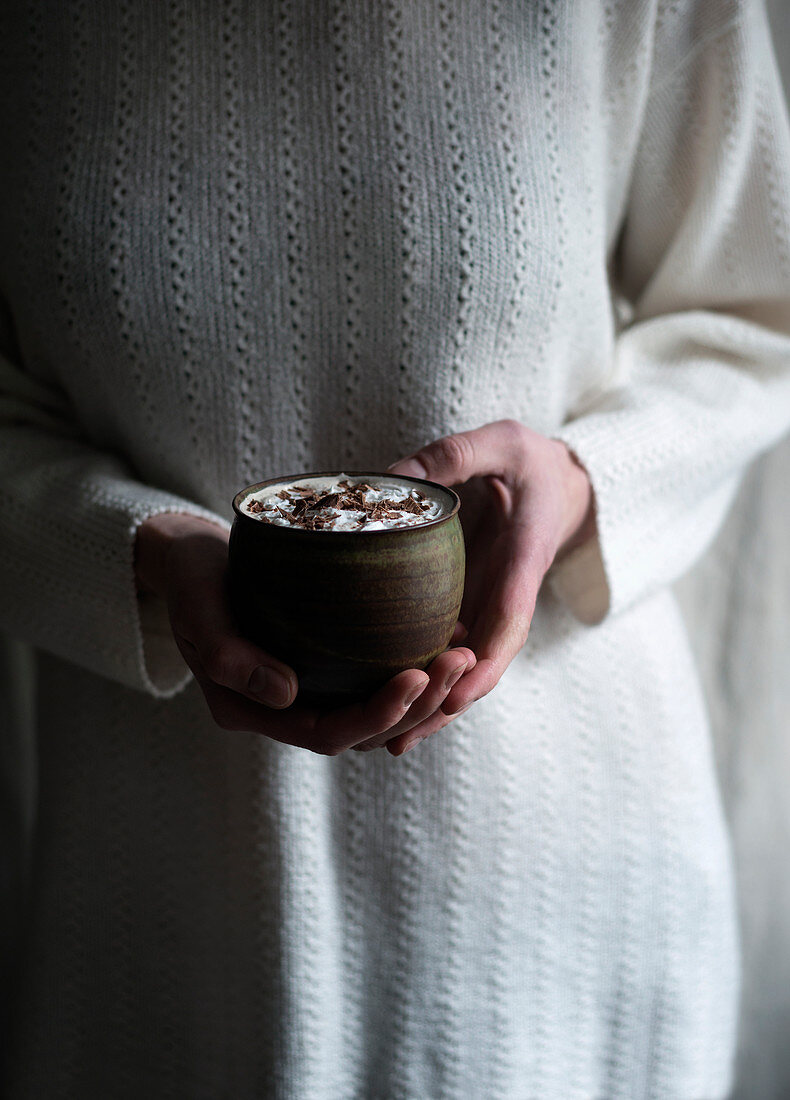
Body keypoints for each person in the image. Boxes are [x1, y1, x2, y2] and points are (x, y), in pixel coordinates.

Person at [1, 1, 789, 1096]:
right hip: (159, 903)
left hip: (553, 897)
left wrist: (584, 475)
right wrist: (126, 547)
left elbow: (758, 314)